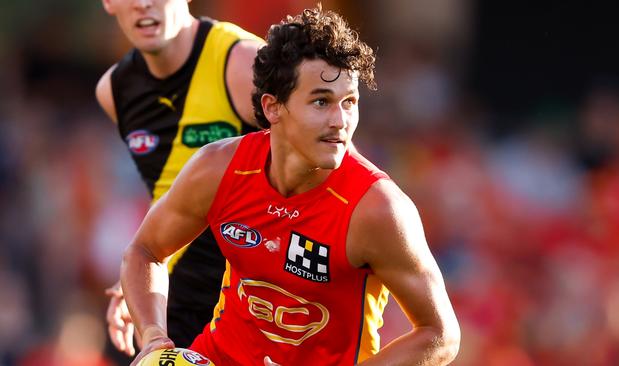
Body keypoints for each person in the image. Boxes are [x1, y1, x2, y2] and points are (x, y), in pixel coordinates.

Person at [121, 5, 461, 366]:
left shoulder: (377, 209)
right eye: (321, 102)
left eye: (350, 103)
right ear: (273, 107)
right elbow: (145, 251)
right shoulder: (219, 168)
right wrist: (154, 338)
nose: (340, 121)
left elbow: (439, 335)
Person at [95, 0, 264, 355]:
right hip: (174, 312)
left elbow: (325, 165)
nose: (143, 4)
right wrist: (137, 281)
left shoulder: (243, 64)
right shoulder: (115, 90)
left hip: (256, 306)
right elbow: (169, 198)